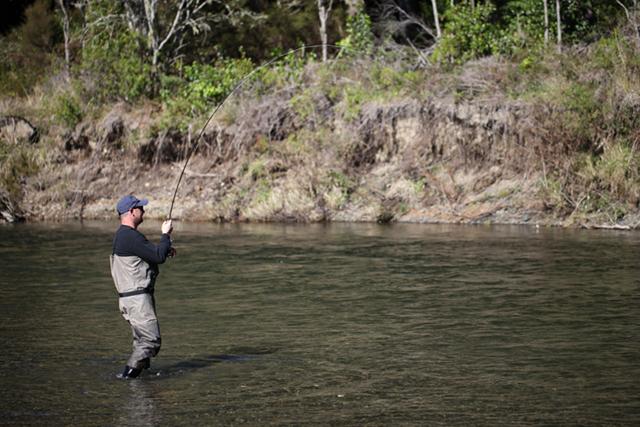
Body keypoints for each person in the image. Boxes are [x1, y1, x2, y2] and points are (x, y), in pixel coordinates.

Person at [110, 195, 175, 379]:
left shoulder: (124, 236)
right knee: (150, 342)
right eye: (140, 208)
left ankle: (142, 384)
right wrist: (165, 235)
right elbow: (158, 257)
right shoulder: (130, 236)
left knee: (141, 344)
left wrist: (165, 247)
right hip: (137, 301)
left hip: (131, 300)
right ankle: (127, 378)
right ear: (131, 212)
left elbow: (151, 254)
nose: (144, 210)